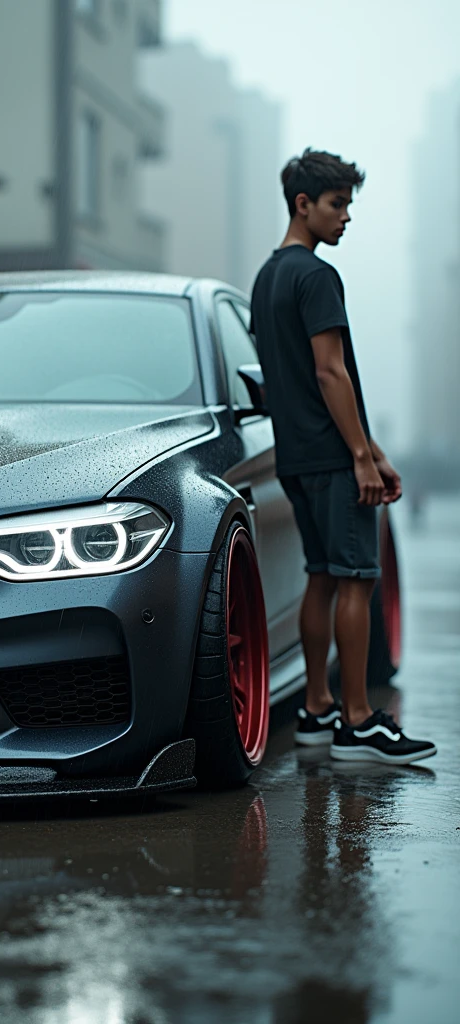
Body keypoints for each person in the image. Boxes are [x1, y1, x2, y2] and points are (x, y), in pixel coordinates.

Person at [250, 148, 436, 765]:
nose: (347, 217)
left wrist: (372, 450)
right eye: (337, 204)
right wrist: (360, 456)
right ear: (302, 204)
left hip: (298, 458)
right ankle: (357, 722)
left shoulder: (266, 278)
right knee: (356, 578)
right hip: (333, 458)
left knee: (323, 576)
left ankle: (316, 709)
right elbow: (331, 373)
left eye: (350, 204)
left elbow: (291, 381)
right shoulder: (315, 276)